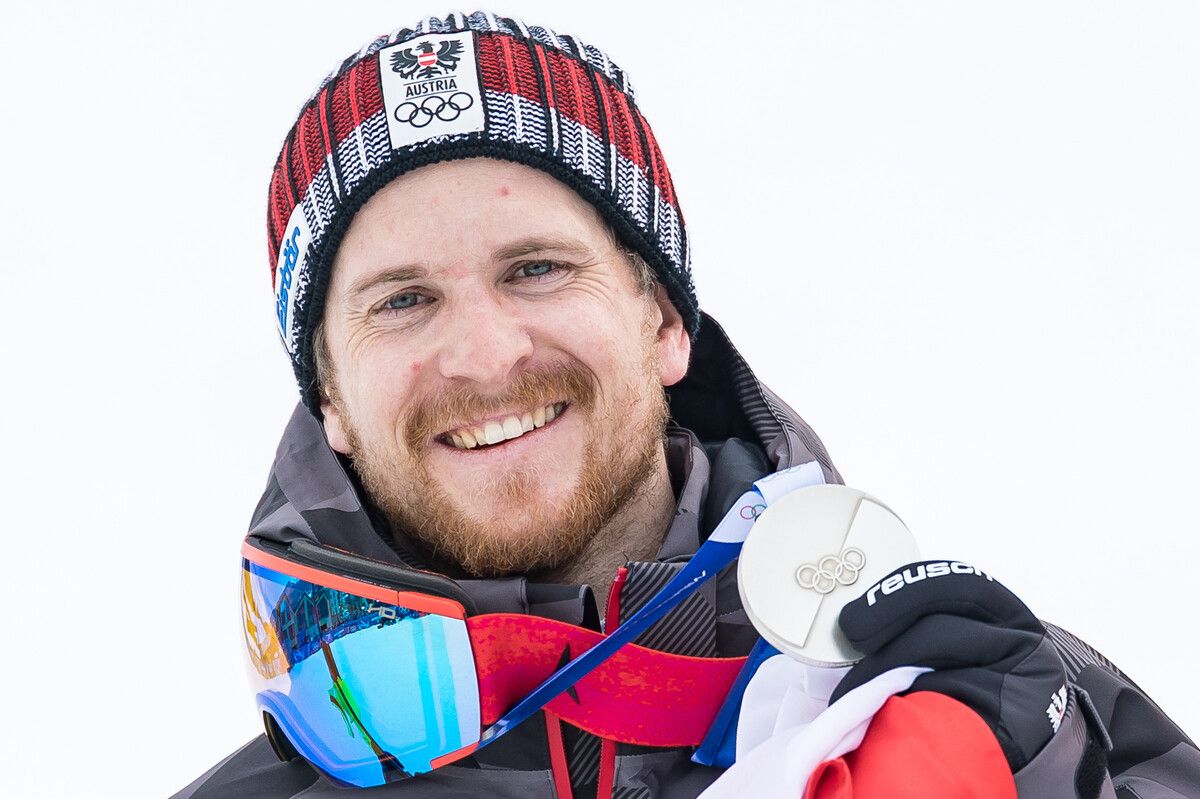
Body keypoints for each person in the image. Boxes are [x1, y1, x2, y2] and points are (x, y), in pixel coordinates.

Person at [174, 11, 1199, 798]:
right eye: (402, 301)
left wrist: (1046, 775)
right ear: (333, 403)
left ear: (666, 322)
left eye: (535, 269)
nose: (485, 351)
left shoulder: (995, 696)